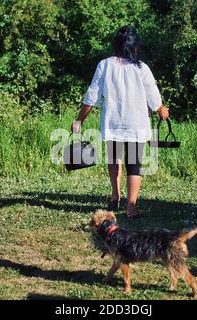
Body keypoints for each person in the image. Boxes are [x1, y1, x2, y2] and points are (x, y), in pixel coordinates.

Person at [72, 25, 169, 218]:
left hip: (113, 122)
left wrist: (79, 120)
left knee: (113, 158)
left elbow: (92, 96)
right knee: (134, 163)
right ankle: (131, 208)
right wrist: (161, 110)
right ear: (135, 47)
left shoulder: (104, 65)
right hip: (136, 123)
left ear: (116, 45)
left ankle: (115, 196)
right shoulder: (141, 68)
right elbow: (153, 96)